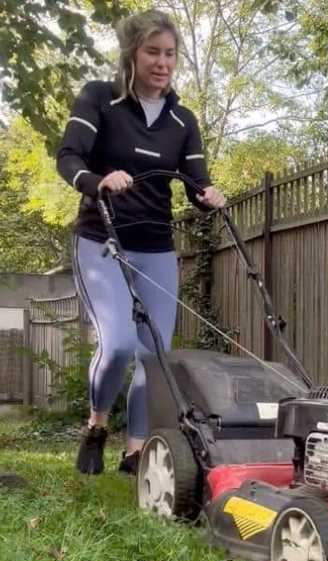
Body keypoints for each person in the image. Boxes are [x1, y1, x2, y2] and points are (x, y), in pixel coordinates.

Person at [56, 10, 226, 475]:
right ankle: (95, 427)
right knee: (117, 345)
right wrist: (97, 179)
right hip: (100, 240)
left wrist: (208, 196)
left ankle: (134, 451)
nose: (162, 62)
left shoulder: (182, 119)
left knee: (154, 356)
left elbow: (196, 181)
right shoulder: (100, 98)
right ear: (131, 53)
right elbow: (68, 155)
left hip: (155, 246)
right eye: (153, 51)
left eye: (170, 54)